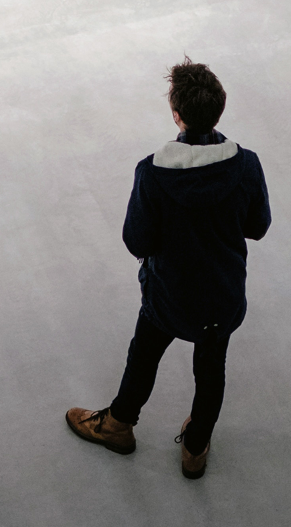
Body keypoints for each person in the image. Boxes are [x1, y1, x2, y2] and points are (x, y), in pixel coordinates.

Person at [66, 60, 270, 479]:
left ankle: (118, 424)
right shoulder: (246, 164)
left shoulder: (152, 172)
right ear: (219, 112)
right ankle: (195, 447)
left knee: (145, 352)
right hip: (223, 296)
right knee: (211, 369)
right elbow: (258, 226)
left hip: (169, 295)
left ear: (176, 115)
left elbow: (136, 241)